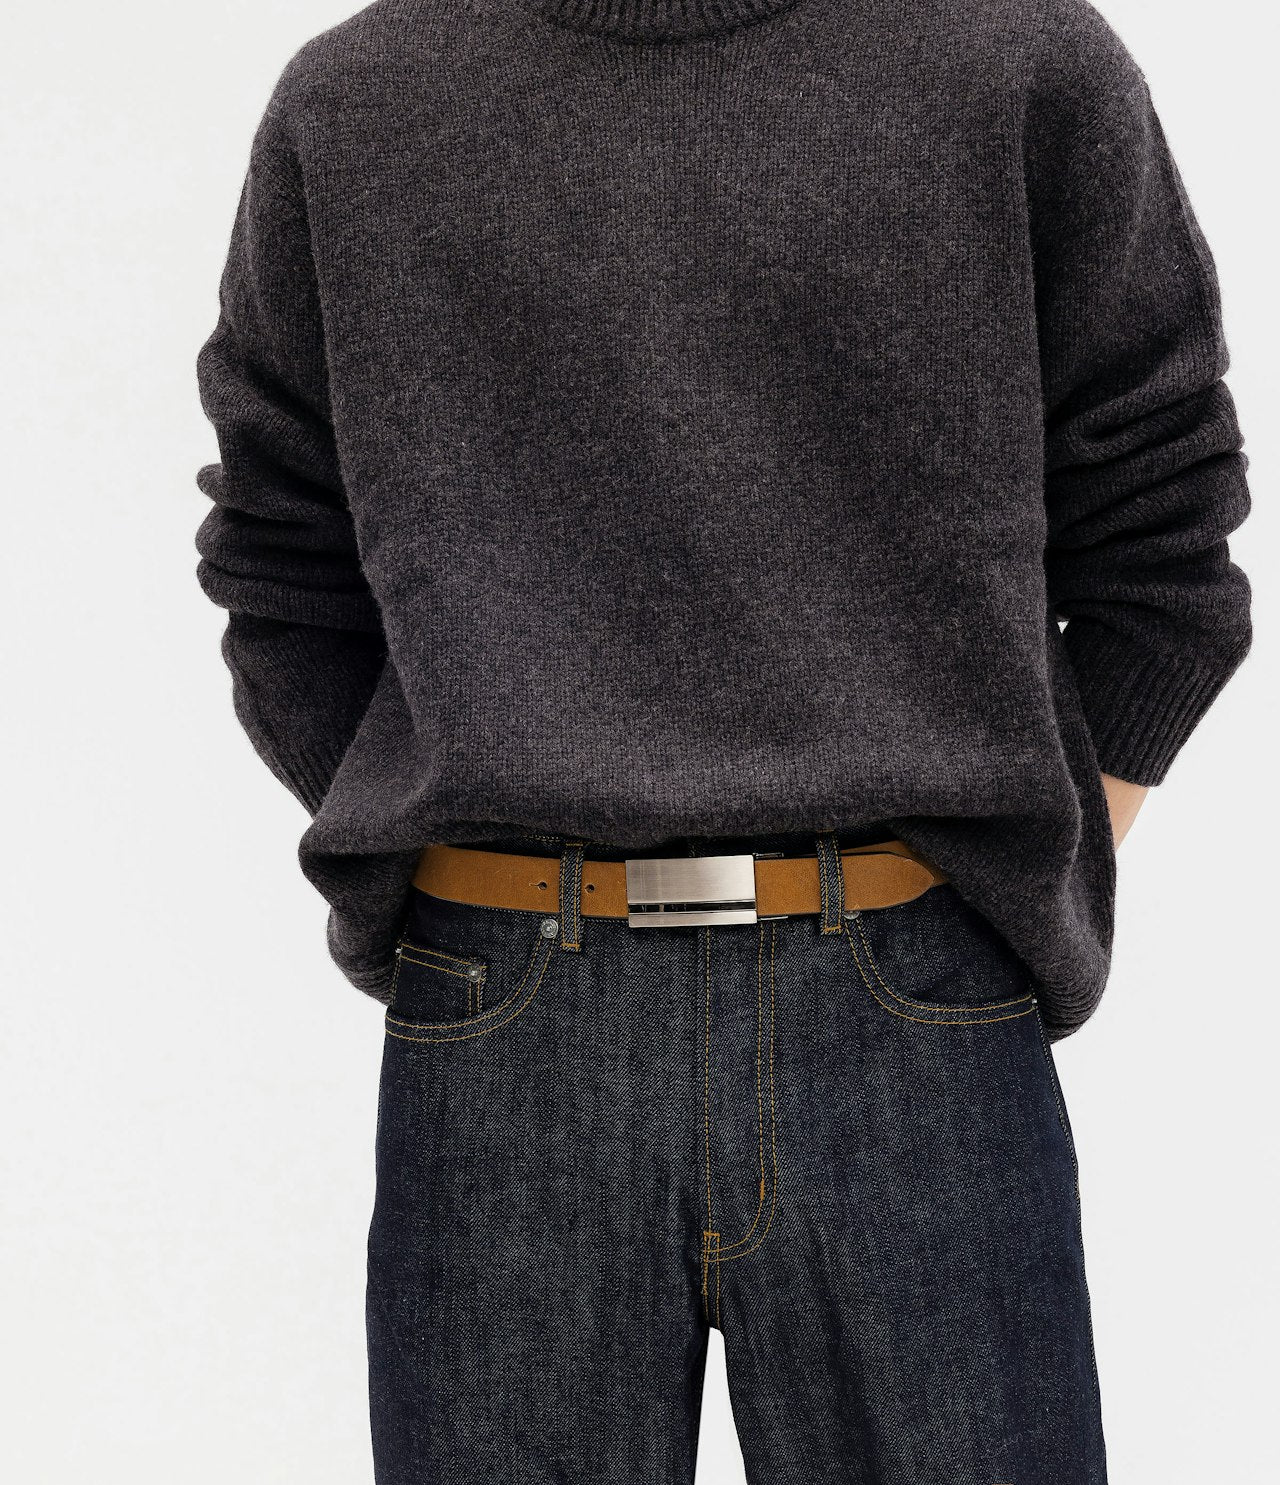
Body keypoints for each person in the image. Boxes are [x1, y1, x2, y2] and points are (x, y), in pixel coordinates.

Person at [194, 0, 1251, 1479]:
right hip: (520, 1016)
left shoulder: (1017, 64)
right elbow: (279, 566)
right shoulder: (356, 108)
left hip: (900, 993)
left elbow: (1166, 550)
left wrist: (1010, 866)